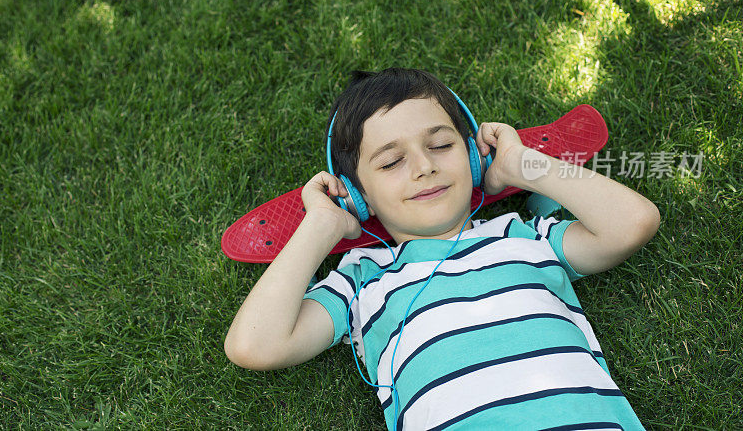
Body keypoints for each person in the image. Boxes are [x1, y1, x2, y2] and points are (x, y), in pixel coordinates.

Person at [225, 67, 660, 430]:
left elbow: (632, 224)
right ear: (359, 197)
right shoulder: (362, 279)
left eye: (441, 145)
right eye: (392, 162)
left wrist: (521, 165)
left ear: (474, 158)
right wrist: (321, 226)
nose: (425, 166)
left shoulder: (522, 236)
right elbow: (255, 345)